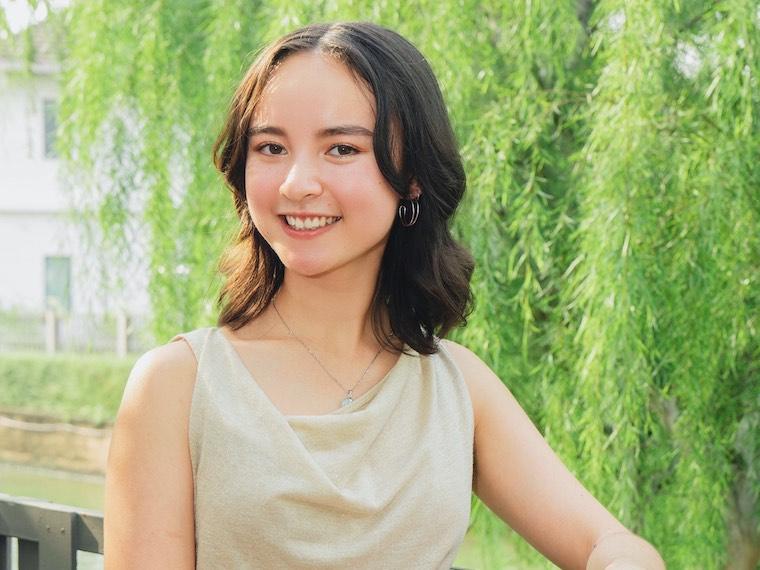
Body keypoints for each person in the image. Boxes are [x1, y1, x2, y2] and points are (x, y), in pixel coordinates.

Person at [103, 22, 666, 570]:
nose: (297, 183)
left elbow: (607, 543)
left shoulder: (456, 387)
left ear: (413, 176)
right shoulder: (178, 385)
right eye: (271, 148)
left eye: (342, 149)